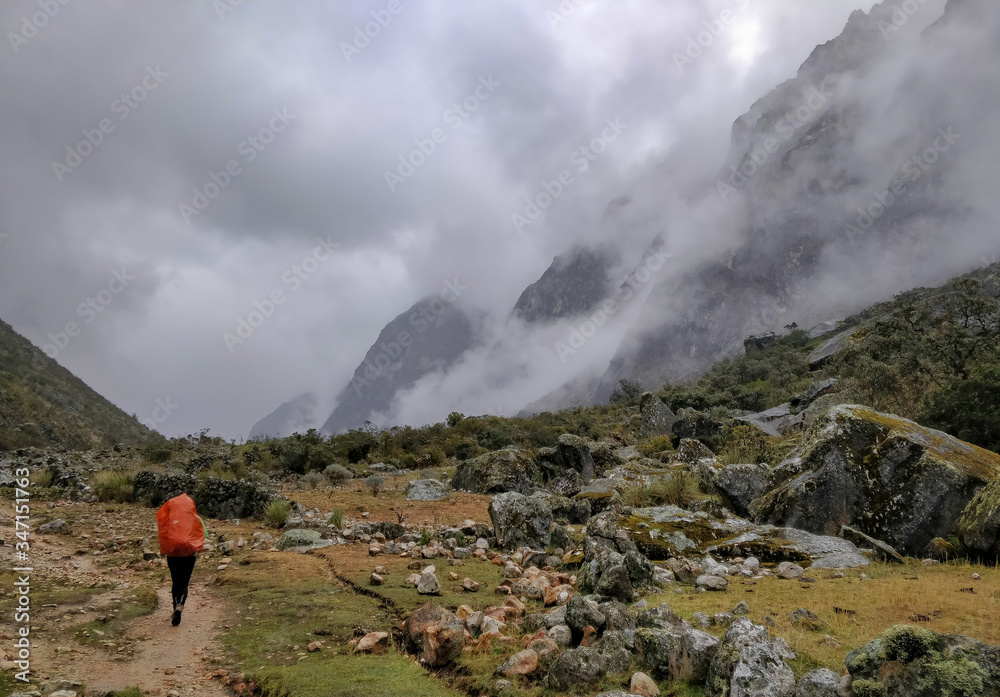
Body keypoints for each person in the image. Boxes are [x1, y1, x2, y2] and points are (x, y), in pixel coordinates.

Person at [156, 493, 206, 626]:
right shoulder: (194, 518)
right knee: (184, 583)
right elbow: (202, 533)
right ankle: (180, 606)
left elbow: (163, 533)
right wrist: (198, 547)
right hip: (189, 553)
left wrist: (163, 550)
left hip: (173, 554)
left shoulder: (169, 518)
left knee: (176, 582)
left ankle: (174, 610)